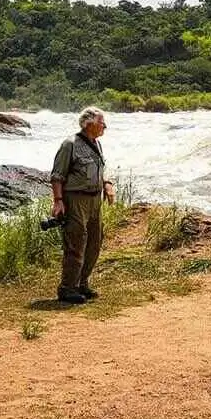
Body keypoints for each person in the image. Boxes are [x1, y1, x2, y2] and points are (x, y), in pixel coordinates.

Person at [50, 106, 116, 304]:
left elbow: (100, 170)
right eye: (101, 122)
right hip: (75, 199)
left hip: (95, 200)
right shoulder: (69, 144)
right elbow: (57, 176)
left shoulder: (97, 144)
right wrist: (58, 201)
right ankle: (67, 288)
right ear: (89, 124)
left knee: (94, 243)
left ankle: (82, 283)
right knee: (76, 243)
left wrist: (107, 184)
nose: (105, 125)